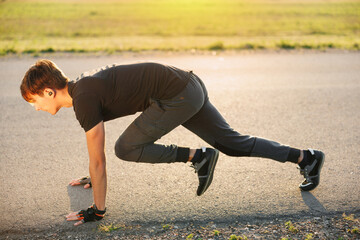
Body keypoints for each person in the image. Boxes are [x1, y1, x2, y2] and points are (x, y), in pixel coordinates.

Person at [20, 59, 325, 226]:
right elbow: (94, 154)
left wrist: (96, 211)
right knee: (232, 143)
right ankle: (306, 158)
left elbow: (99, 158)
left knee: (125, 148)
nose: (35, 107)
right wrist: (92, 176)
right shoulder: (83, 88)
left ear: (48, 92)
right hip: (187, 85)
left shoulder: (84, 98)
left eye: (33, 100)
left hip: (176, 95)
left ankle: (198, 157)